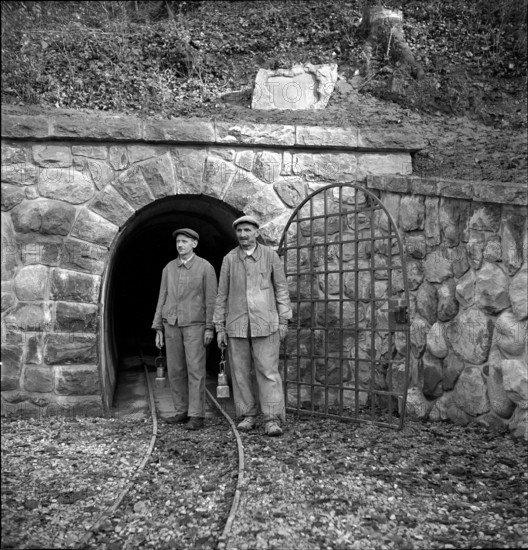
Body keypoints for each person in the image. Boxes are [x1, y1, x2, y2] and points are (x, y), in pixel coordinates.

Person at [214, 216, 292, 436]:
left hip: (266, 324)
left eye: (247, 230)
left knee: (268, 372)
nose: (242, 234)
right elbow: (221, 295)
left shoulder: (270, 256)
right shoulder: (229, 259)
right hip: (237, 325)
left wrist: (284, 319)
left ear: (257, 233)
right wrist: (219, 326)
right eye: (239, 230)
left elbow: (281, 289)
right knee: (240, 373)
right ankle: (248, 415)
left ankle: (271, 418)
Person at [152, 228, 217, 430]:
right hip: (171, 325)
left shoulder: (205, 268)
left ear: (194, 244)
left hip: (195, 326)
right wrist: (158, 327)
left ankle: (196, 415)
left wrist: (209, 328)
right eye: (178, 241)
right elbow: (162, 298)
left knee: (196, 370)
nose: (180, 245)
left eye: (185, 241)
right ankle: (181, 411)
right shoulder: (169, 268)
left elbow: (211, 300)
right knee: (175, 370)